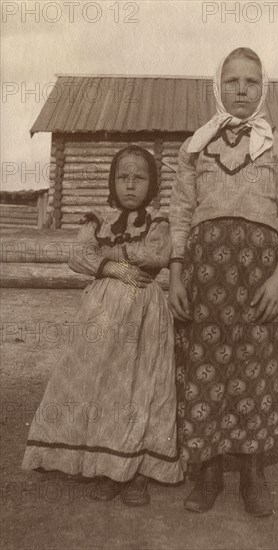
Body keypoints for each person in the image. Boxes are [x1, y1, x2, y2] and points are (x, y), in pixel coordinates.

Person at [169, 47, 278, 516]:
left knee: (257, 372)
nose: (242, 89)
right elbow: (180, 214)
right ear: (218, 86)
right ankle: (207, 474)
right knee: (204, 371)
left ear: (263, 87)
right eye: (232, 81)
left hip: (260, 278)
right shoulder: (196, 145)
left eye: (251, 81)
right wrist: (175, 275)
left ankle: (252, 473)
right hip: (204, 278)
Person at [22, 145, 183, 506]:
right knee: (101, 382)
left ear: (152, 184)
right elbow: (77, 254)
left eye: (139, 178)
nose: (130, 185)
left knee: (140, 386)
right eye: (122, 177)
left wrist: (111, 254)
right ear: (112, 181)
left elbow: (155, 254)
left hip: (143, 314)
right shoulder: (98, 219)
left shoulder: (157, 222)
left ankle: (137, 469)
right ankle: (106, 465)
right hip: (101, 314)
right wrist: (110, 268)